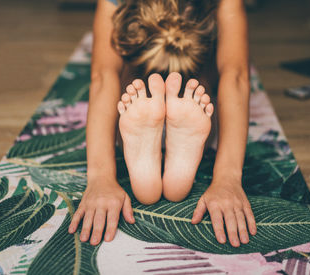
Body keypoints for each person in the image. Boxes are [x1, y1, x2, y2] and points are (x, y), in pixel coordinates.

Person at [68, 0, 257, 248]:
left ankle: (150, 133)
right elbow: (235, 75)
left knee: (130, 88)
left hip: (146, 72)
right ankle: (180, 133)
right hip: (192, 73)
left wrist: (101, 177)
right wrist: (226, 176)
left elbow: (104, 75)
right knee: (201, 92)